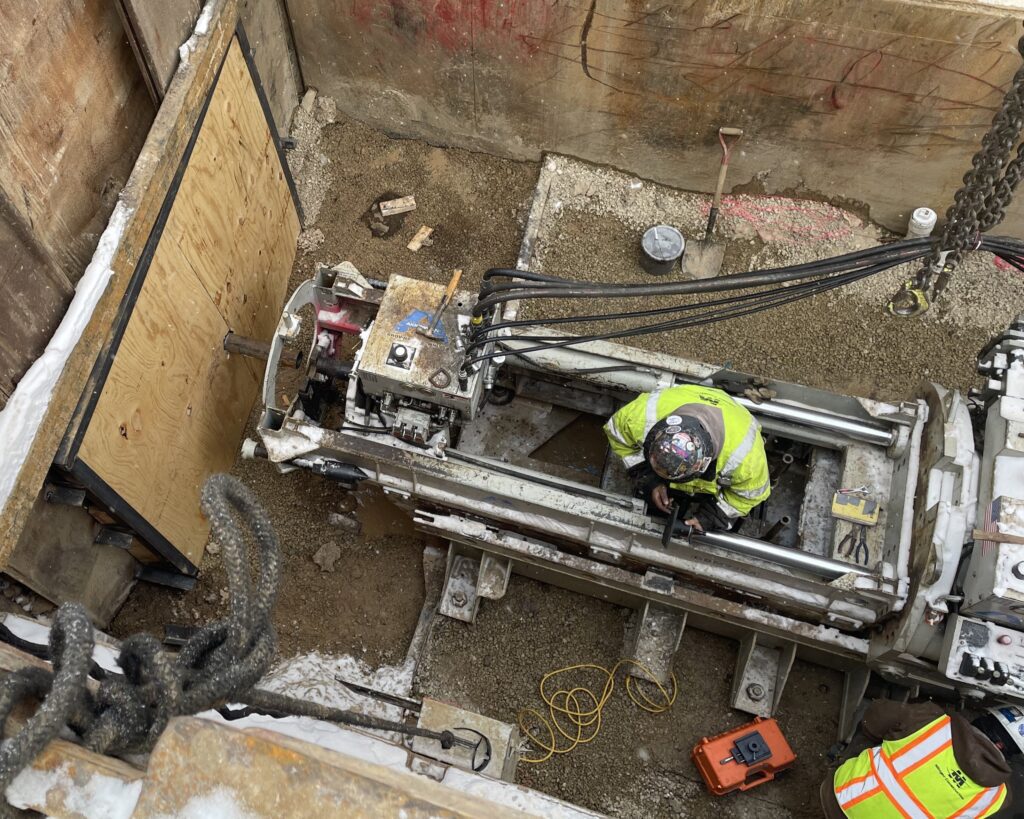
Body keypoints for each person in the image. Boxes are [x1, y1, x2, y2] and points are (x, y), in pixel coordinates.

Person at [603, 384, 770, 532]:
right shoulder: (638, 418)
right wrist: (650, 480)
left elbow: (750, 495)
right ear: (654, 436)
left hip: (732, 420)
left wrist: (712, 516)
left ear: (705, 464)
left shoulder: (746, 459)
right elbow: (618, 436)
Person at [824, 700, 1011, 818]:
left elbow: (875, 716)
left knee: (877, 724)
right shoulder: (999, 797)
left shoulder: (932, 720)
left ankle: (840, 758)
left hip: (838, 800)